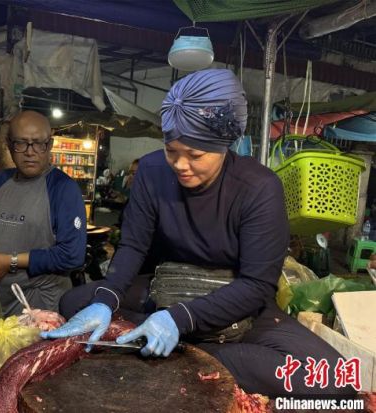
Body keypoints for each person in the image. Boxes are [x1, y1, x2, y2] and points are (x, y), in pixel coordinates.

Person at [42, 69, 353, 397]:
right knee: (75, 301)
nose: (180, 164)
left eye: (196, 155)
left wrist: (179, 320)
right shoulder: (151, 172)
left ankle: (194, 353)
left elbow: (257, 285)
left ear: (224, 145)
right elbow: (133, 245)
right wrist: (106, 301)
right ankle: (172, 344)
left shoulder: (259, 187)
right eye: (171, 150)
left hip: (236, 305)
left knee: (334, 381)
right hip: (166, 286)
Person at [0, 110, 87, 316]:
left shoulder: (63, 189)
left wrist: (10, 261)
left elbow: (72, 255)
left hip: (38, 306)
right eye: (21, 143)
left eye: (39, 143)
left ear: (49, 145)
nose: (30, 152)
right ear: (9, 144)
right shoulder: (1, 181)